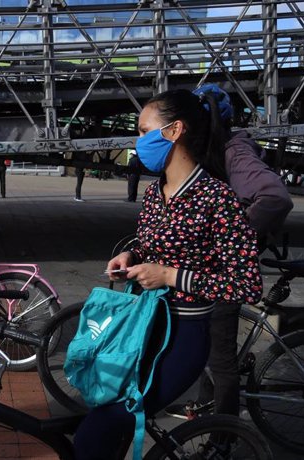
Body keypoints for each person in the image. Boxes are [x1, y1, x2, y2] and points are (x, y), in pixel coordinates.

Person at [74, 89, 263, 459]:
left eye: (144, 131)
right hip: (142, 326)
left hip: (184, 338)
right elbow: (150, 246)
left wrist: (170, 276)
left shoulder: (216, 198)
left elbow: (246, 282)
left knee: (94, 435)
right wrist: (133, 255)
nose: (138, 141)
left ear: (174, 131)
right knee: (108, 426)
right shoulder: (153, 192)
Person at [163, 84, 293, 420]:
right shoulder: (211, 149)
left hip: (223, 274)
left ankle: (223, 440)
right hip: (208, 271)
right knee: (211, 350)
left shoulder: (234, 152)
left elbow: (274, 199)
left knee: (221, 361)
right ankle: (207, 410)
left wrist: (229, 237)